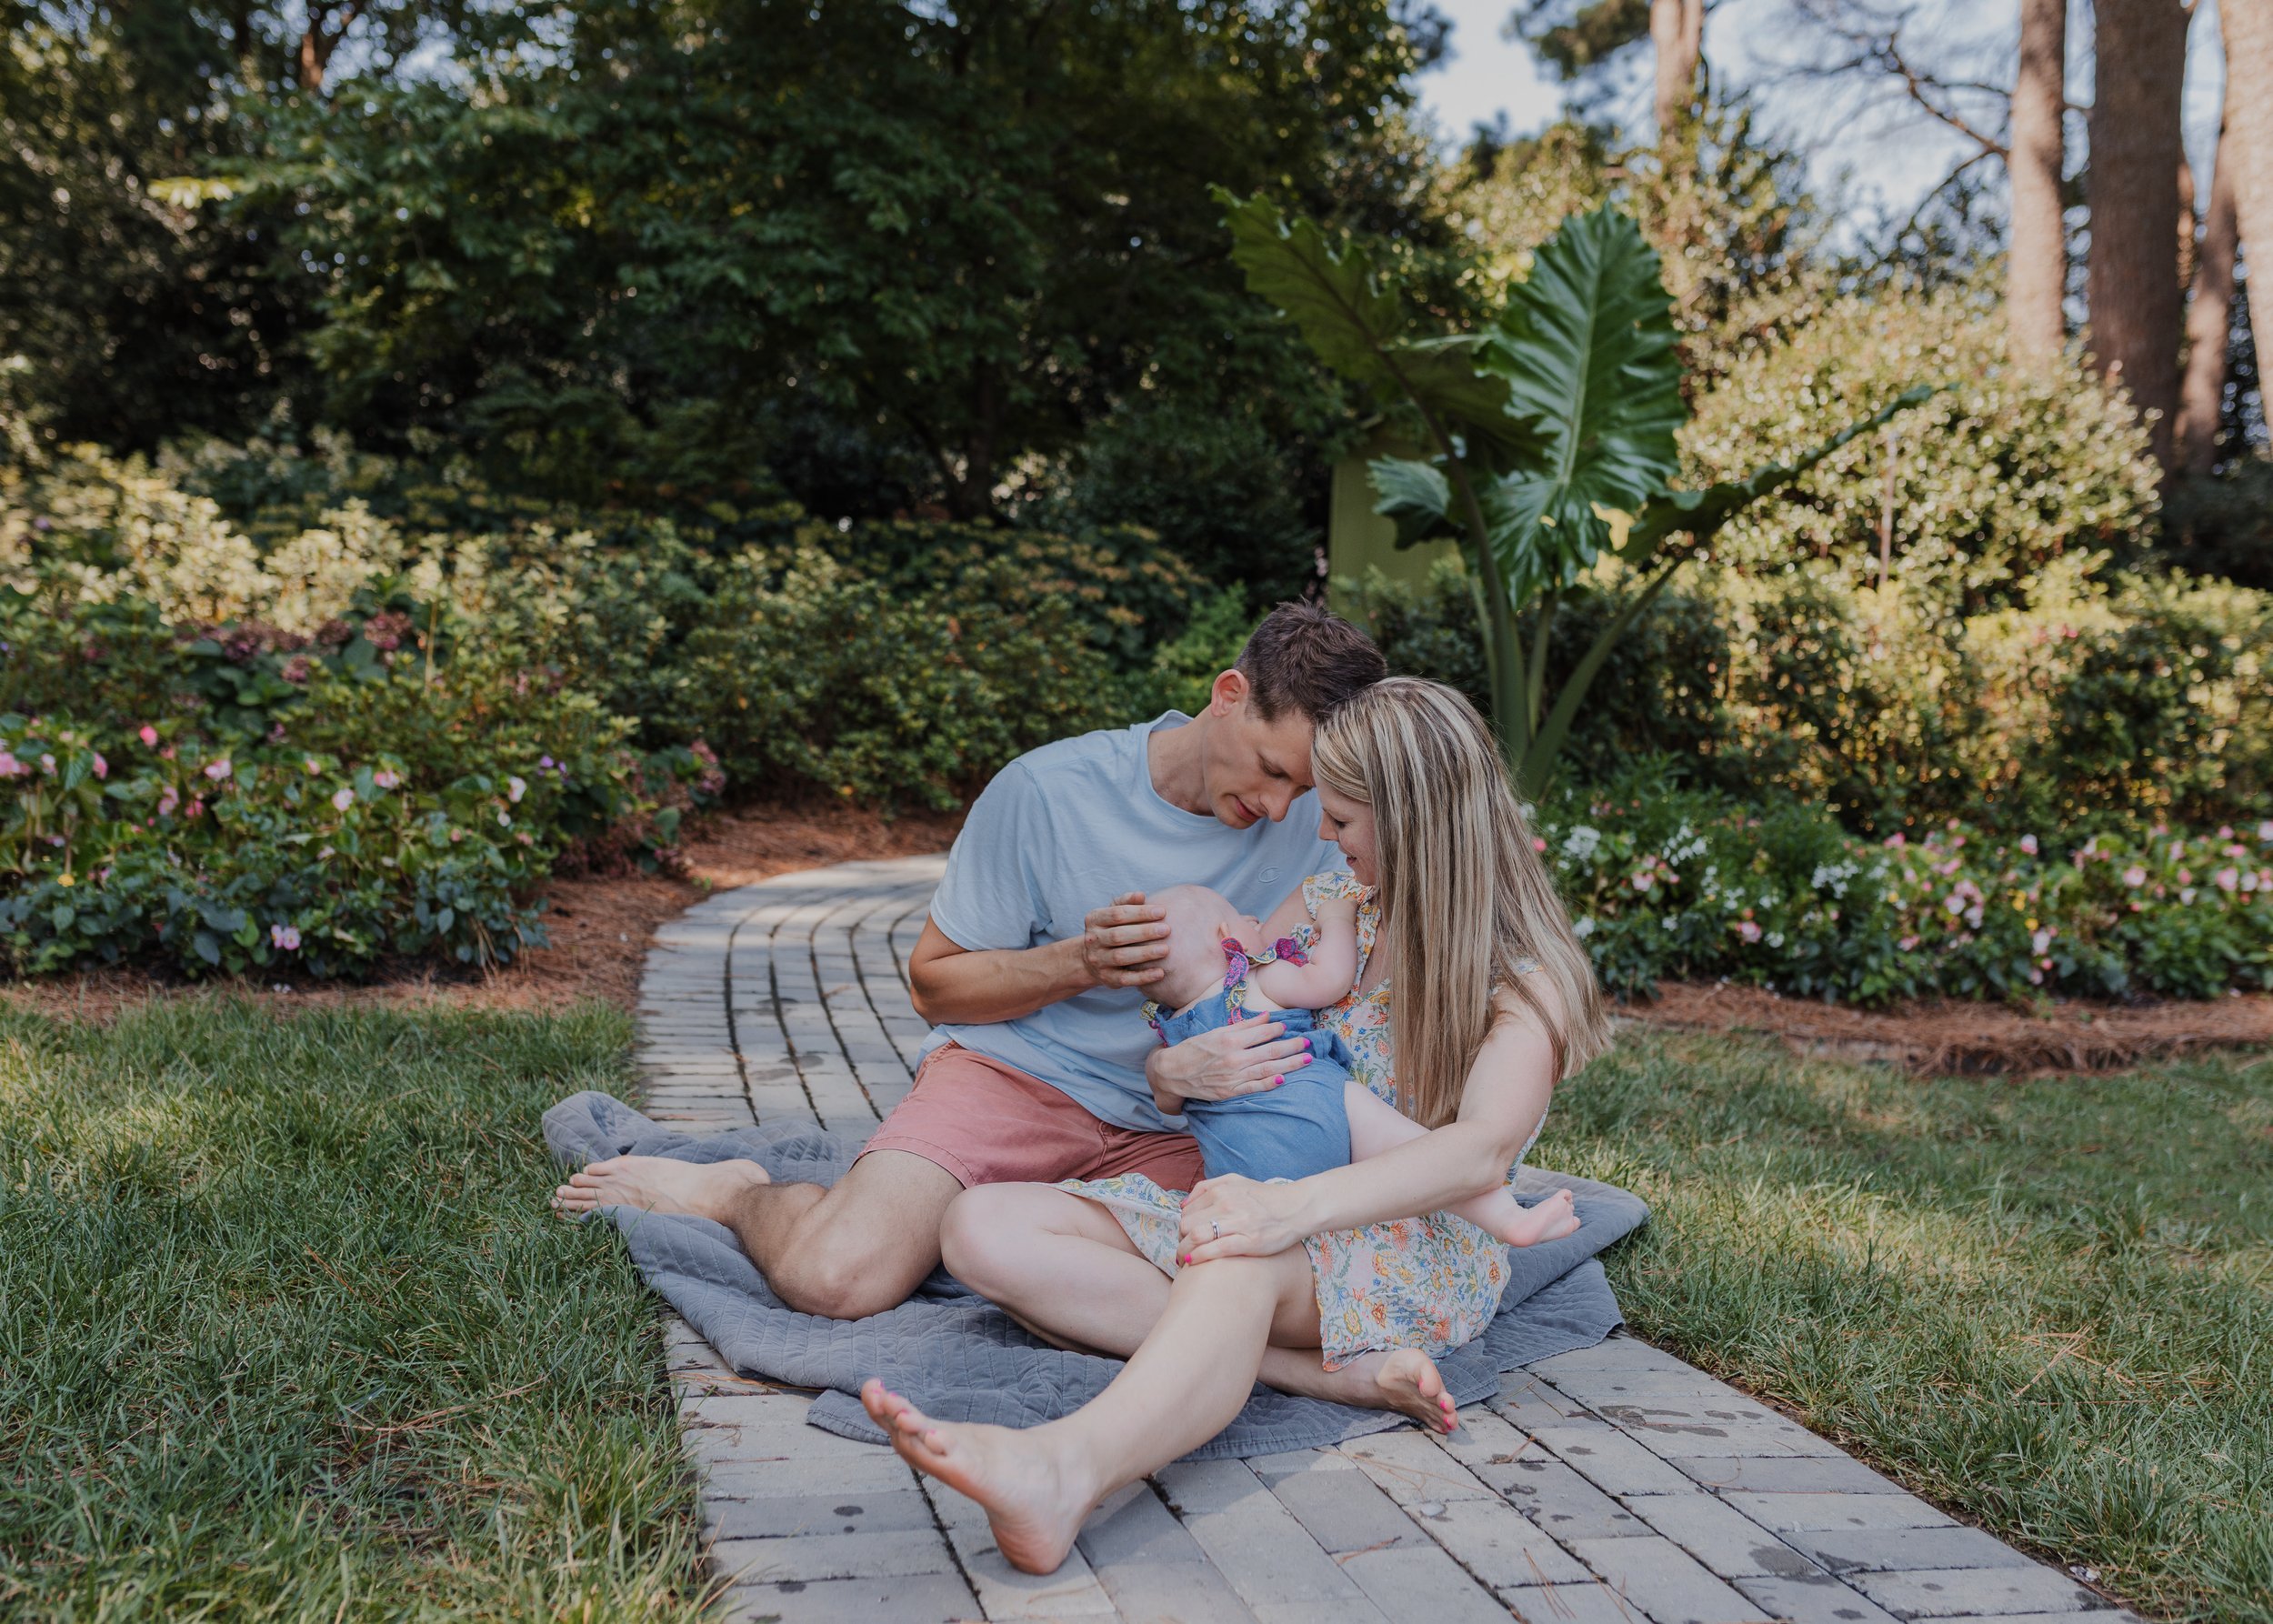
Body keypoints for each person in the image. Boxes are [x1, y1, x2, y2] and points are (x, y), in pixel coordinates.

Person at [858, 677, 1614, 1576]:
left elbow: (1479, 1151)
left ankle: (1065, 1467)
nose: (1321, 838)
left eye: (1340, 819)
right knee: (978, 1227)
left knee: (1232, 1254)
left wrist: (1286, 1215)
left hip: (1412, 1239)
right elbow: (1224, 1007)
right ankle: (1319, 1372)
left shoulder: (1525, 982)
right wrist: (1169, 1076)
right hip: (1276, 1198)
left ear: (1414, 820)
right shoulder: (1339, 896)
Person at [551, 603, 1387, 1318]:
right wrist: (1081, 962)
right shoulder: (1048, 792)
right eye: (1274, 770)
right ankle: (737, 1191)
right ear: (1228, 697)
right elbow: (933, 985)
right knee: (833, 1278)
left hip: (1185, 1126)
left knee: (1230, 1299)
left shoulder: (1320, 829)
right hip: (1015, 1080)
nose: (1280, 808)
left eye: (1306, 789)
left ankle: (981, 1237)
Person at [1129, 882, 1580, 1247]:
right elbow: (1329, 979)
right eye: (1243, 917)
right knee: (1403, 1142)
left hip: (1242, 1161)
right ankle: (1504, 1216)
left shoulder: (1173, 1026)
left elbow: (1173, 1103)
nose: (1256, 922)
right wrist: (1338, 920)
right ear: (1224, 937)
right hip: (1313, 1103)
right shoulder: (1257, 979)